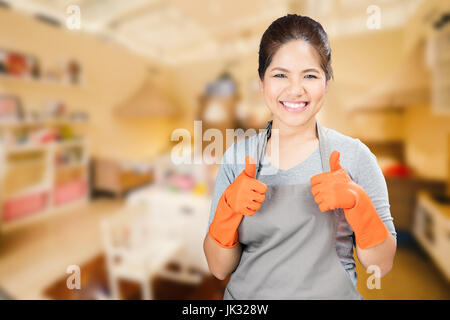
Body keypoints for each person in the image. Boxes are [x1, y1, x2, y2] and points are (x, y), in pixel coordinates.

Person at [203, 14, 397, 300]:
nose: (295, 89)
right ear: (262, 83)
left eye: (310, 75)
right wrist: (227, 210)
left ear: (327, 83)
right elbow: (219, 268)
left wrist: (359, 205)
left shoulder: (355, 157)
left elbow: (380, 264)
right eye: (280, 75)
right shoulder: (238, 157)